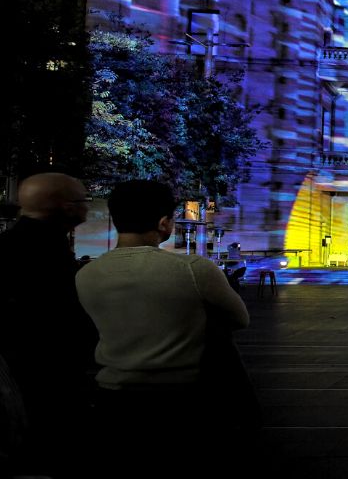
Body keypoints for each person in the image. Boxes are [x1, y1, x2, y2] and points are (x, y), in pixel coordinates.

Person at [76, 180, 254, 476]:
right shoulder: (193, 269)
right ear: (163, 223)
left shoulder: (87, 274)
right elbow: (240, 319)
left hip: (113, 399)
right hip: (183, 400)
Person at [0, 172, 97, 477]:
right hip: (46, 380)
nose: (87, 208)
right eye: (83, 201)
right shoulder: (49, 254)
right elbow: (64, 320)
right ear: (67, 207)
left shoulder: (9, 244)